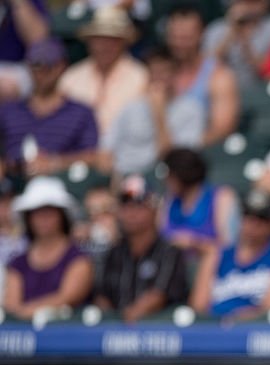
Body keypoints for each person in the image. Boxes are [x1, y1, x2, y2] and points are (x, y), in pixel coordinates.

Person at [95, 176, 189, 322]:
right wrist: (109, 323)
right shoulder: (114, 252)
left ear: (154, 209)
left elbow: (158, 296)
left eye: (139, 205)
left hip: (159, 332)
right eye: (126, 205)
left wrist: (125, 322)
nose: (131, 212)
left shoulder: (169, 251)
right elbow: (102, 298)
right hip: (115, 332)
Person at [0, 38, 99, 176]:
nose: (41, 73)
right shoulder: (8, 111)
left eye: (48, 66)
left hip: (62, 183)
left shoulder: (81, 112)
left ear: (62, 66)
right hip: (13, 183)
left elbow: (93, 157)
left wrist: (55, 163)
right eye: (36, 65)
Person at [100, 46, 204, 177]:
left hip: (162, 177)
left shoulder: (191, 109)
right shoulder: (131, 107)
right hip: (124, 175)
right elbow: (105, 150)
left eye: (164, 71)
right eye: (154, 71)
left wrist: (158, 113)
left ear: (175, 74)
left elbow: (176, 161)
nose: (158, 77)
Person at [189, 189, 270, 319]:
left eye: (262, 219)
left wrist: (239, 319)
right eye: (248, 216)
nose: (253, 224)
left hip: (256, 328)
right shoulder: (217, 254)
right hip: (216, 328)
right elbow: (198, 307)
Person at [3, 176, 92, 319]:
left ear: (62, 216)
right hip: (25, 336)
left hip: (68, 337)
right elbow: (12, 306)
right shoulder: (18, 263)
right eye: (37, 213)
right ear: (28, 218)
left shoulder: (78, 258)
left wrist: (27, 311)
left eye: (49, 212)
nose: (43, 219)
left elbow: (69, 297)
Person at [57, 6, 147, 136]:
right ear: (89, 42)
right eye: (98, 39)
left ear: (124, 42)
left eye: (112, 40)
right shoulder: (72, 76)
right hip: (77, 150)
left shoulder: (140, 76)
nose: (104, 46)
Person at [165, 1, 240, 147]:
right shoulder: (159, 72)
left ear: (201, 34)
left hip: (197, 158)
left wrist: (181, 150)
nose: (180, 44)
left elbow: (222, 130)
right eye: (175, 37)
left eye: (186, 38)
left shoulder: (219, 76)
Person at [159, 147, 240, 256]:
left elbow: (230, 247)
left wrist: (196, 244)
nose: (165, 180)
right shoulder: (168, 200)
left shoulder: (222, 197)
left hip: (209, 267)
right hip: (172, 266)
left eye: (169, 175)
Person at [203, 0, 270, 91]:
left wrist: (245, 43)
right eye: (245, 2)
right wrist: (232, 30)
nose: (249, 7)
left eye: (254, 2)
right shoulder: (216, 28)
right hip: (224, 90)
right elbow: (207, 67)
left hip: (264, 92)